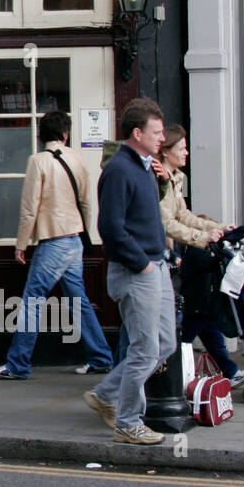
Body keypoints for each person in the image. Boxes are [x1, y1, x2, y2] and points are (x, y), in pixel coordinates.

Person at [0, 111, 113, 379]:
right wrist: (83, 232)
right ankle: (101, 357)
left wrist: (21, 244)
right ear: (65, 133)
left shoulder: (38, 161)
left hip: (53, 241)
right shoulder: (78, 159)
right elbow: (87, 203)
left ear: (41, 134)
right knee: (79, 301)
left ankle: (18, 365)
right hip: (74, 239)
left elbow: (29, 208)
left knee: (32, 301)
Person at [82, 98, 172, 445]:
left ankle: (106, 394)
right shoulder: (120, 169)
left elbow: (145, 215)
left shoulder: (144, 165)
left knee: (162, 344)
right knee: (145, 350)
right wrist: (145, 264)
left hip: (155, 266)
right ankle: (128, 422)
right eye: (157, 132)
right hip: (138, 271)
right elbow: (111, 228)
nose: (162, 137)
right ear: (137, 133)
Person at [157, 126, 244, 385]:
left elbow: (184, 215)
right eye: (182, 148)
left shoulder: (176, 177)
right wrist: (202, 238)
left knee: (196, 319)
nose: (187, 152)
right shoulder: (160, 179)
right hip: (158, 255)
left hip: (168, 254)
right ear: (166, 151)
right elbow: (166, 223)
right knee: (165, 326)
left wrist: (217, 228)